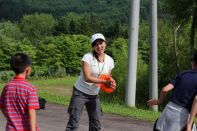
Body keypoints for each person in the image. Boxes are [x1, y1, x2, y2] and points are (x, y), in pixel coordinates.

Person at [66, 33, 116, 131]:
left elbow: (106, 78)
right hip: (80, 93)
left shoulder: (110, 61)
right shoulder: (87, 57)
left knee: (96, 125)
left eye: (101, 43)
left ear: (105, 43)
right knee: (73, 123)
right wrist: (105, 82)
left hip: (94, 95)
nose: (99, 46)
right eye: (95, 44)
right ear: (93, 46)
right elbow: (87, 78)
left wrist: (111, 83)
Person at [147, 51, 197, 131]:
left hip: (167, 113)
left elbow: (165, 89)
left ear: (193, 62)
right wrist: (189, 124)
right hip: (181, 118)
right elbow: (196, 100)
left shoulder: (183, 74)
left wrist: (159, 101)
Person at [0, 53, 40, 131]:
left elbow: (1, 106)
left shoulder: (7, 87)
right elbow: (31, 112)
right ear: (28, 69)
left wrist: (10, 118)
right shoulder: (30, 88)